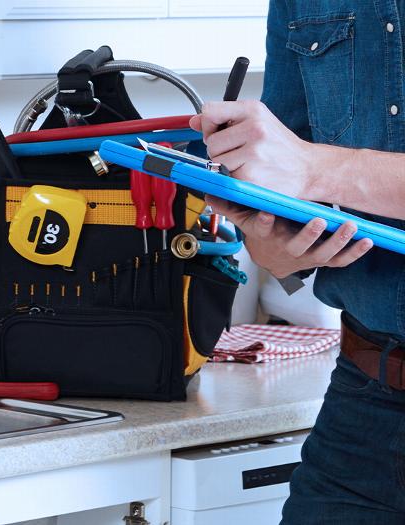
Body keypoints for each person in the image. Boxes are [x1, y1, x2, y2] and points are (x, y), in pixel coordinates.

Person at [190, 2, 405, 523]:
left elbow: (304, 168)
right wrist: (270, 241)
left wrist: (313, 169)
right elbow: (279, 213)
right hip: (367, 402)